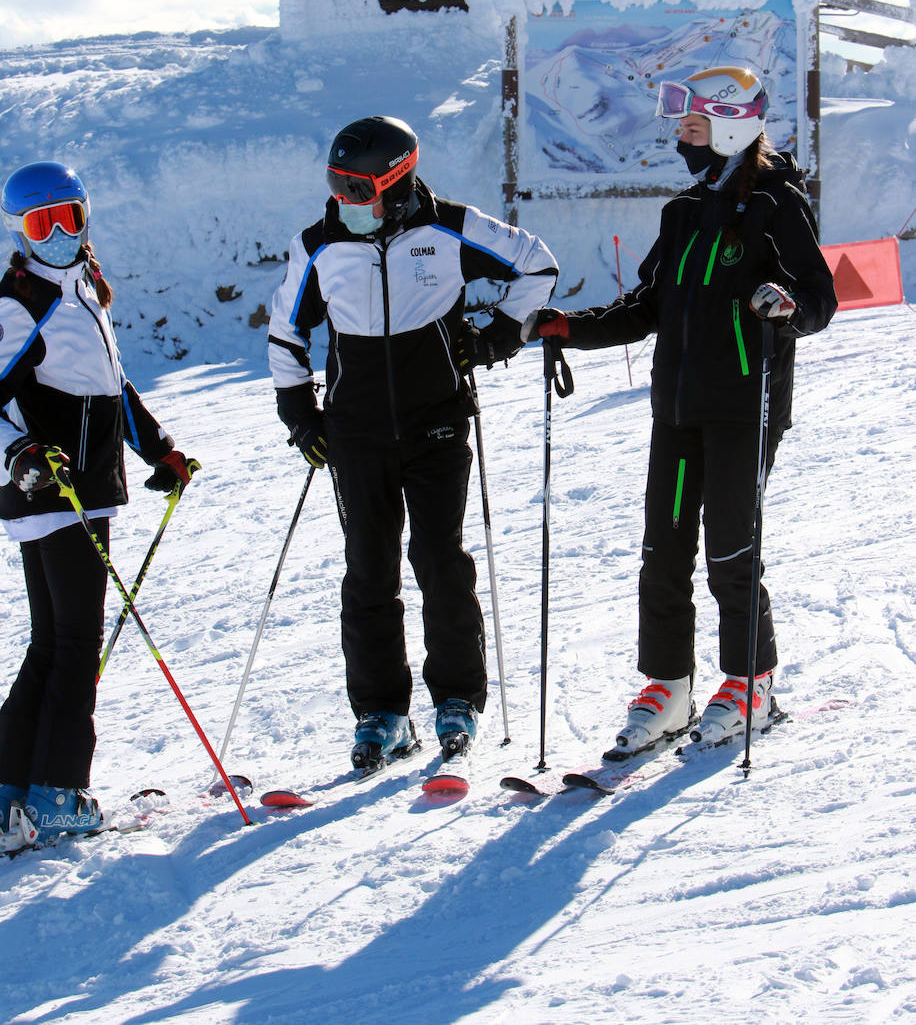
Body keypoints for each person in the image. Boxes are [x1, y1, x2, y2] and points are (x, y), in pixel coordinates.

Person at [522, 66, 837, 754]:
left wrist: (787, 308)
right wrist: (568, 327)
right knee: (662, 550)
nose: (682, 136)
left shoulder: (777, 204)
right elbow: (648, 308)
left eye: (692, 125)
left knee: (730, 547)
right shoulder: (685, 211)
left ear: (729, 127)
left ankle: (750, 681)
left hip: (743, 404)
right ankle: (668, 686)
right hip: (677, 407)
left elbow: (820, 295)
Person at [268, 115, 558, 770]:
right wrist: (301, 417)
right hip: (356, 432)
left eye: (359, 187)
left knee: (439, 560)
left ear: (397, 182)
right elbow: (286, 335)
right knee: (368, 571)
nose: (345, 199)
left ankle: (457, 699)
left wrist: (496, 339)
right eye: (337, 184)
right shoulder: (318, 245)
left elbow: (536, 265)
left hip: (438, 422)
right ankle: (382, 714)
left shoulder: (450, 227)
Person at [0, 161, 196, 847]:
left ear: (84, 217)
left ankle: (11, 793)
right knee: (76, 642)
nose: (55, 233)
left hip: (76, 490)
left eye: (66, 218)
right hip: (53, 489)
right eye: (38, 223)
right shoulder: (21, 301)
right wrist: (20, 454)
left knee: (54, 642)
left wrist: (160, 450)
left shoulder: (82, 289)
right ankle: (57, 792)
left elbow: (109, 385)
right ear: (19, 232)